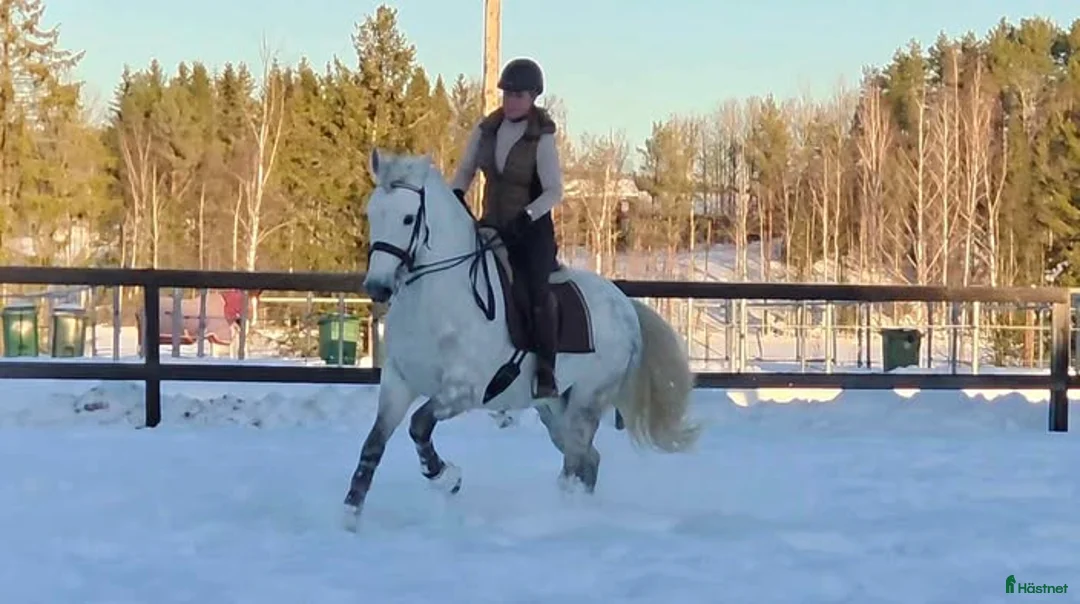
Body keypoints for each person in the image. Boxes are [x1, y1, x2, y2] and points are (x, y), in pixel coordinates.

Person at [450, 57, 564, 399]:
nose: (511, 99)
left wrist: (527, 216)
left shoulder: (541, 137)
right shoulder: (486, 130)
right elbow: (466, 169)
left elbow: (554, 191)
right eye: (508, 93)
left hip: (531, 231)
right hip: (492, 226)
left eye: (519, 94)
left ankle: (546, 370)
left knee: (535, 291)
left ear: (533, 98)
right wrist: (455, 193)